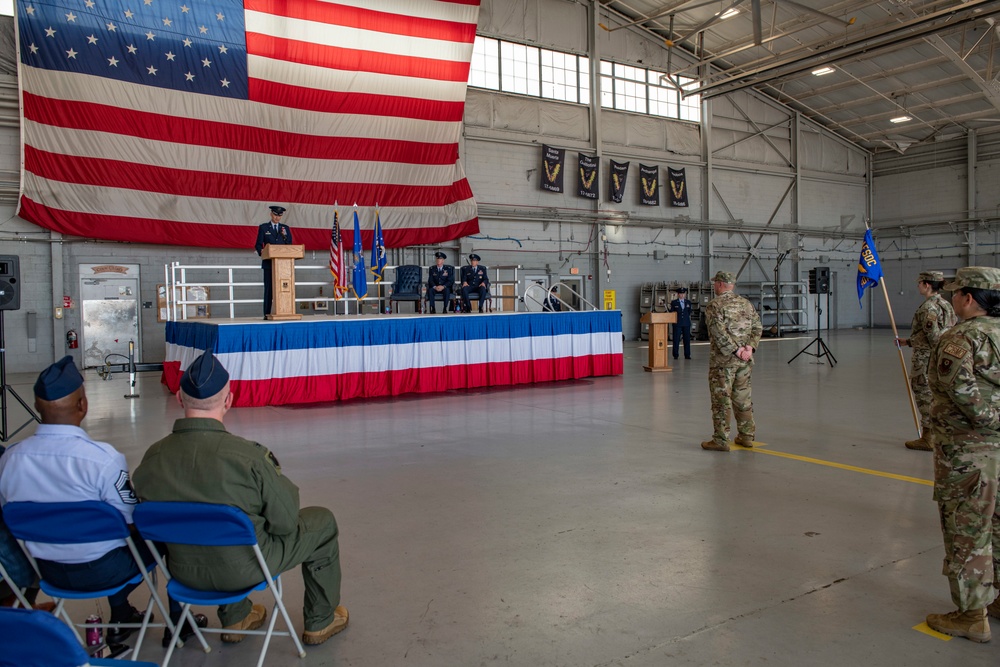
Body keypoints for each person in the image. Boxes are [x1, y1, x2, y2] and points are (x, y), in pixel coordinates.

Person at [133, 351, 349, 647]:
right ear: (229, 400)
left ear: (180, 399)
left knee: (204, 527)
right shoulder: (247, 458)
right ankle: (320, 620)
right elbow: (286, 523)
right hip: (248, 567)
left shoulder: (152, 458)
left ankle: (236, 616)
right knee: (321, 521)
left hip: (184, 573)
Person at [0, 357, 205, 647]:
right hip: (105, 570)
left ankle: (122, 617)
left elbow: (10, 514)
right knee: (162, 535)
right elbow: (132, 521)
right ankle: (178, 622)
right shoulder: (101, 459)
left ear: (37, 407)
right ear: (83, 405)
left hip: (47, 570)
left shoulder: (9, 460)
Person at [923, 266, 1000, 643]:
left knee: (967, 529)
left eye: (955, 293)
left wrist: (991, 420)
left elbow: (958, 388)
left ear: (968, 298)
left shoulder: (960, 337)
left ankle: (971, 614)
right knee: (998, 522)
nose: (951, 298)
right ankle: (997, 598)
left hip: (969, 449)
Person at [895, 270, 957, 451]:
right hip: (942, 356)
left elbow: (933, 336)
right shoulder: (946, 304)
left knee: (923, 393)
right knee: (938, 394)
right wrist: (908, 342)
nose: (918, 286)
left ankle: (928, 437)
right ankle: (940, 434)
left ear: (927, 284)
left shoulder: (928, 308)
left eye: (919, 283)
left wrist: (915, 343)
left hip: (926, 357)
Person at [702, 271, 762, 452]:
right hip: (744, 361)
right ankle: (746, 436)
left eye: (715, 283)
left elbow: (718, 333)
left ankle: (720, 440)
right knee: (743, 398)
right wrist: (749, 348)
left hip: (723, 363)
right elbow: (757, 327)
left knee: (722, 400)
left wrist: (736, 350)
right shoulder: (746, 304)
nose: (714, 286)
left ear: (720, 284)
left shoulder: (715, 305)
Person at [254, 205, 293, 318]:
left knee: (283, 288)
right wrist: (262, 252)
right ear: (271, 214)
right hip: (269, 264)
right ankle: (266, 313)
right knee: (269, 290)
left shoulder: (285, 229)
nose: (277, 218)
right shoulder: (264, 228)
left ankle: (284, 311)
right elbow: (258, 244)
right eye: (275, 215)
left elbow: (289, 245)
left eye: (279, 216)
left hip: (283, 266)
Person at [669, 287, 693, 360]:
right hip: (677, 323)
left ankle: (687, 354)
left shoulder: (688, 302)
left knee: (687, 339)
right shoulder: (674, 302)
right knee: (676, 339)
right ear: (678, 294)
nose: (682, 295)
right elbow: (671, 312)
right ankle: (675, 354)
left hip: (686, 323)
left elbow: (689, 312)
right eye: (680, 294)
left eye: (683, 294)